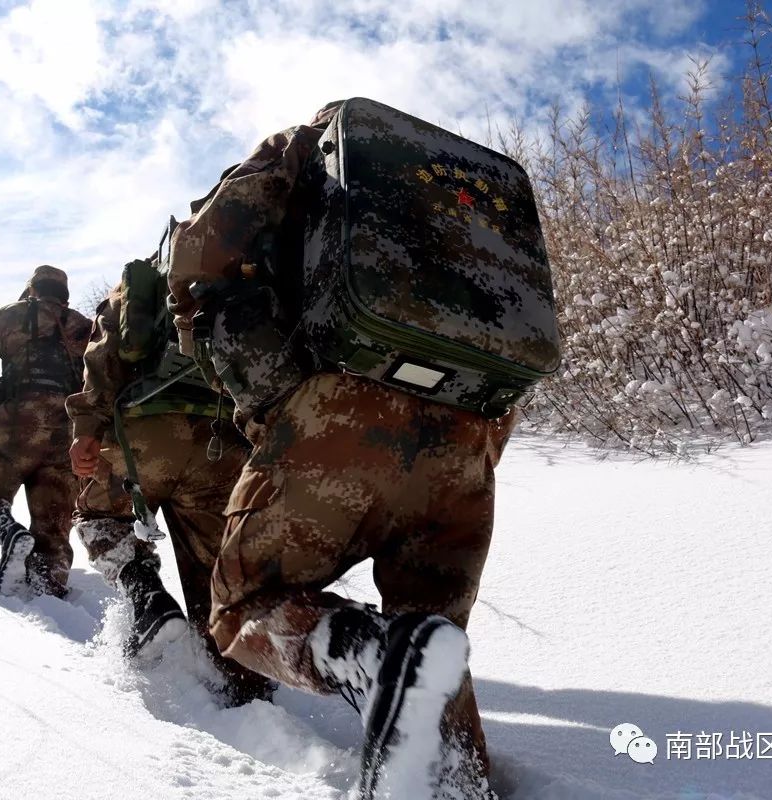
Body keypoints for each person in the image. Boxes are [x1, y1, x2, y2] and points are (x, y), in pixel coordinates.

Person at [167, 102, 515, 797]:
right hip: (471, 430)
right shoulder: (466, 195)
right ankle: (455, 784)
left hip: (332, 412)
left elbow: (199, 258)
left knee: (241, 608)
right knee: (430, 638)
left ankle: (362, 655)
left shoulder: (299, 151)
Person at [66, 278, 272, 705]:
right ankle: (245, 690)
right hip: (222, 445)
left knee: (101, 517)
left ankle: (147, 596)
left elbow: (101, 361)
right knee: (215, 571)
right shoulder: (242, 286)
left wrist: (86, 431)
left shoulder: (141, 289)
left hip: (145, 434)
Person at [0, 266, 92, 597]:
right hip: (67, 435)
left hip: (14, 428)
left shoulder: (15, 314)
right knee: (53, 531)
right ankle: (48, 594)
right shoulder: (84, 328)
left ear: (33, 290)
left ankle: (7, 531)